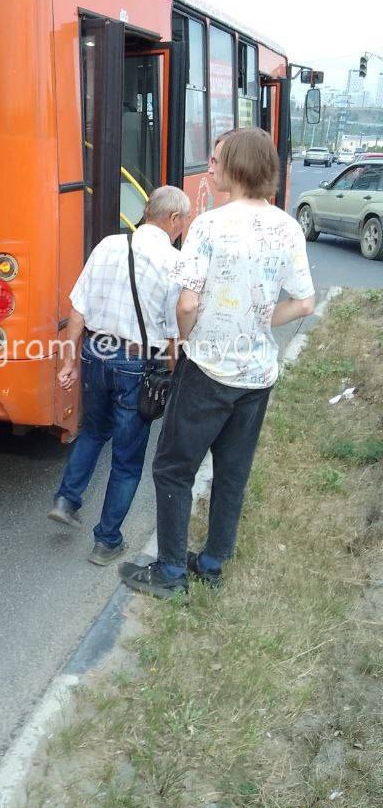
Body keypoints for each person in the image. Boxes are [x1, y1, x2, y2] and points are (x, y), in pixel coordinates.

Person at [120, 127, 316, 598]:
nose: (211, 166)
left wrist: (186, 341)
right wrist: (260, 321)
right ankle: (210, 564)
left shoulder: (209, 225)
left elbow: (187, 305)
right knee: (232, 470)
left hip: (208, 369)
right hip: (257, 375)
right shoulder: (288, 226)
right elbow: (305, 303)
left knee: (172, 468)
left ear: (237, 166)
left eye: (216, 159)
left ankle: (169, 573)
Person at [50, 186, 192, 564]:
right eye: (184, 220)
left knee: (94, 431)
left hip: (95, 354)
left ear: (147, 212)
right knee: (127, 461)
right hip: (134, 363)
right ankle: (107, 541)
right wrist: (175, 377)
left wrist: (68, 362)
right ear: (173, 219)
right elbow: (171, 333)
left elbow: (77, 308)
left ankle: (67, 498)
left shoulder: (108, 245)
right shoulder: (173, 262)